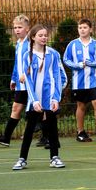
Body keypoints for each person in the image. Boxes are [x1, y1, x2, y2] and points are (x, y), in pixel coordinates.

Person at [12, 25, 65, 170]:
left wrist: (55, 98)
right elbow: (27, 80)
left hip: (50, 98)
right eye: (40, 35)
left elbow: (57, 76)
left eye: (45, 35)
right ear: (33, 37)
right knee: (29, 129)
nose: (44, 38)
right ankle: (22, 159)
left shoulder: (53, 54)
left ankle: (55, 157)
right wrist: (34, 100)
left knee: (52, 127)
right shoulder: (27, 56)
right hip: (34, 99)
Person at [63, 18, 96, 142]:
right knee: (81, 105)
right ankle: (80, 132)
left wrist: (90, 63)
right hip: (79, 81)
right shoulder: (72, 44)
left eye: (85, 27)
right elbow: (66, 59)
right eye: (80, 27)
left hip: (94, 80)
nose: (82, 30)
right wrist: (77, 65)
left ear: (90, 29)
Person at [0, 14, 31, 147]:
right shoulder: (18, 44)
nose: (17, 30)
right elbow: (17, 64)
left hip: (31, 83)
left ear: (27, 28)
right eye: (15, 27)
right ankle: (6, 138)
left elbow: (36, 62)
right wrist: (14, 78)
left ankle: (48, 137)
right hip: (21, 85)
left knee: (39, 110)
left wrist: (27, 74)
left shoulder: (31, 43)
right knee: (16, 108)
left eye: (20, 27)